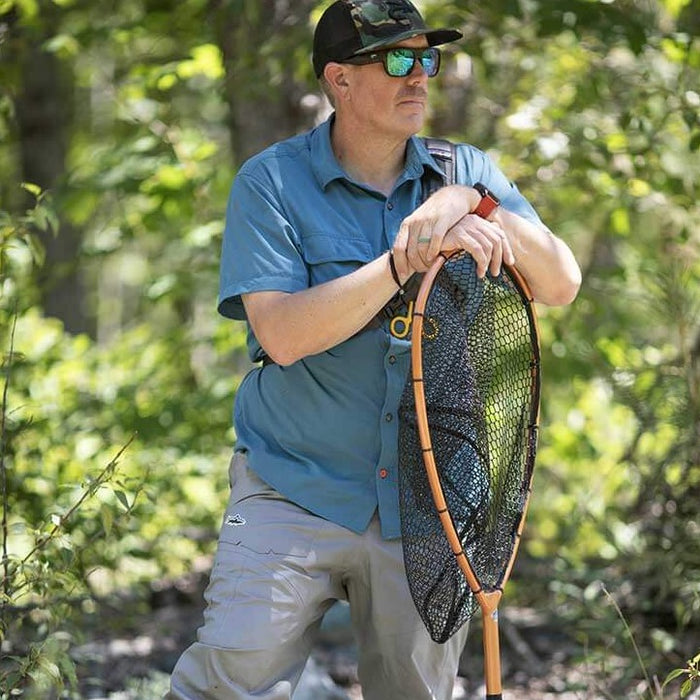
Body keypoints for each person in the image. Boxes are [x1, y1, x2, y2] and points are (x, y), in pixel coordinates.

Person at [167, 1, 581, 698]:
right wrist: (404, 264)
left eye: (427, 58)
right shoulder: (270, 184)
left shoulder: (464, 169)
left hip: (433, 503)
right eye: (395, 59)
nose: (418, 75)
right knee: (228, 681)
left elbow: (560, 280)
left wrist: (469, 204)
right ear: (340, 80)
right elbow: (284, 335)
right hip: (294, 484)